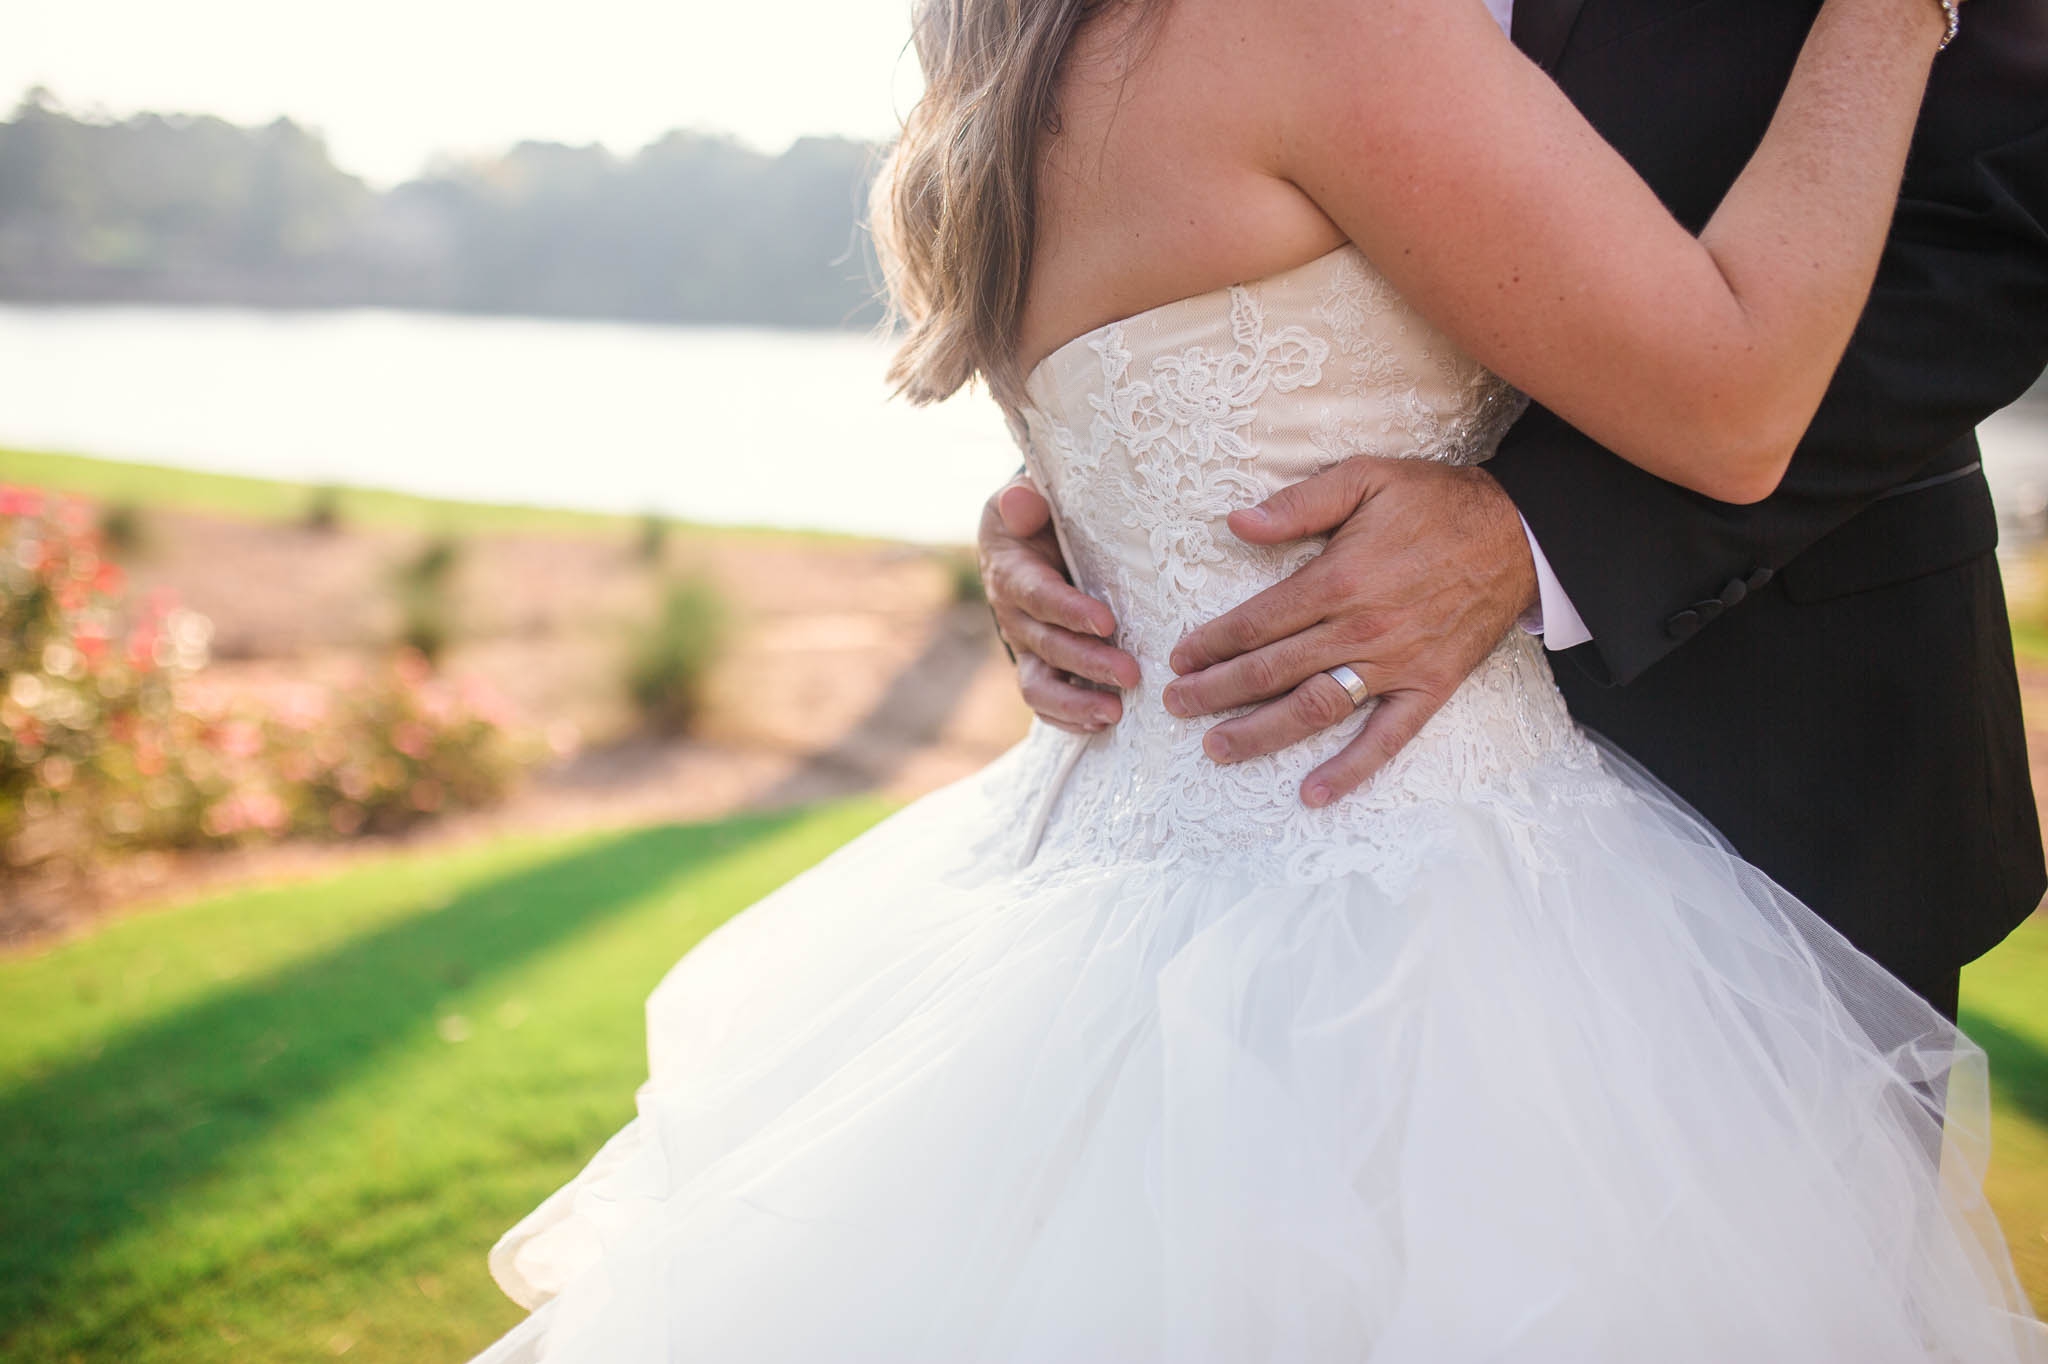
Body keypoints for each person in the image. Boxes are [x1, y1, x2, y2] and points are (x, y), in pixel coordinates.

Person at [468, 1, 2046, 1358]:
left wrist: (1115, 523)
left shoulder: (1021, 60)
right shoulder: (1310, 20)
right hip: (1463, 931)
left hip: (1721, 774)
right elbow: (1733, 393)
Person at [980, 0, 2048, 1026]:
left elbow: (2006, 211)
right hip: (1349, 843)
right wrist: (1093, 523)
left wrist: (1539, 530)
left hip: (1792, 752)